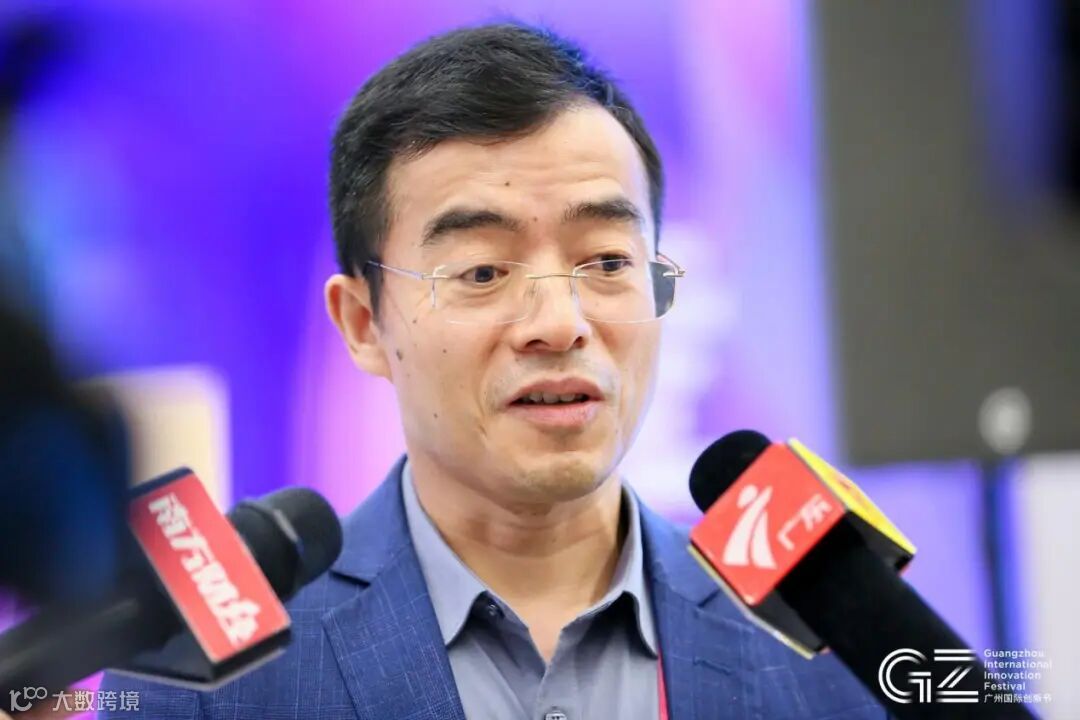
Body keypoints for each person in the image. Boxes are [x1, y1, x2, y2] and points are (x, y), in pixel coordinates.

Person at [99, 22, 884, 719]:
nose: (560, 323)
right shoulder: (208, 674)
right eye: (481, 272)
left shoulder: (829, 636)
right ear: (364, 324)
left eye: (608, 261)